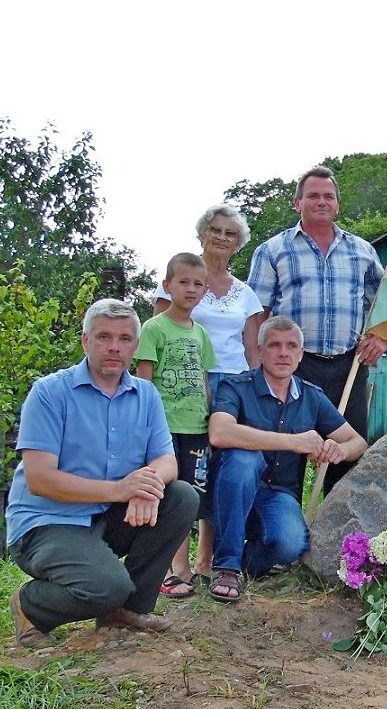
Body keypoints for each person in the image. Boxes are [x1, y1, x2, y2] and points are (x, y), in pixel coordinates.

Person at [5, 299, 198, 647]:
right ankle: (31, 606)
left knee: (181, 496)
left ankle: (124, 612)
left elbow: (167, 462)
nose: (114, 346)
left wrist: (144, 487)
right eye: (104, 336)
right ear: (85, 341)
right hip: (47, 522)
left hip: (104, 518)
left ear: (136, 346)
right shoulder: (50, 393)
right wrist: (121, 490)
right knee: (107, 586)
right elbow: (40, 479)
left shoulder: (146, 395)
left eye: (125, 339)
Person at [206, 316, 368, 602]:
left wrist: (338, 450)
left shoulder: (311, 396)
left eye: (291, 346)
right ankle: (226, 567)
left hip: (277, 494)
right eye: (275, 345)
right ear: (260, 351)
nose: (283, 353)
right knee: (244, 461)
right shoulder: (236, 387)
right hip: (233, 490)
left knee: (291, 545)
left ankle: (247, 563)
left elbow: (358, 442)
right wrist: (293, 442)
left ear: (300, 354)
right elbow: (219, 432)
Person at [247, 166, 386, 495]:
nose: (321, 201)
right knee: (284, 457)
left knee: (348, 456)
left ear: (338, 203)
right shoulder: (272, 251)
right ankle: (283, 535)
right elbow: (255, 314)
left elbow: (385, 303)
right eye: (313, 195)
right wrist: (256, 367)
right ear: (298, 203)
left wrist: (380, 336)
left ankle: (341, 538)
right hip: (292, 368)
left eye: (328, 196)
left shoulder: (362, 251)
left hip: (348, 366)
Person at [153, 204, 264, 583]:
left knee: (218, 469)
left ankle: (207, 558)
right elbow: (159, 334)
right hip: (183, 385)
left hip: (232, 387)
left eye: (230, 233)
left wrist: (255, 394)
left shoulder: (246, 294)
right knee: (185, 467)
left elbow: (252, 351)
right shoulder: (180, 278)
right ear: (201, 234)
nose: (221, 237)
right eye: (215, 230)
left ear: (238, 245)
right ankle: (176, 563)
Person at [136, 252, 218, 599]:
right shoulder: (153, 328)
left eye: (198, 284)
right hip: (165, 430)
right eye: (183, 282)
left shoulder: (201, 333)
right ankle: (176, 569)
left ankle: (204, 562)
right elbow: (143, 382)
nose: (191, 289)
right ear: (167, 285)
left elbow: (205, 378)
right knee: (173, 496)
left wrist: (212, 418)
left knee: (197, 493)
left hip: (196, 428)